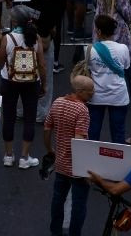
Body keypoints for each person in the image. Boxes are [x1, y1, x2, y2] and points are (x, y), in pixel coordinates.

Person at [0, 5, 47, 168]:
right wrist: (43, 84)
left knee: (9, 117)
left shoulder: (7, 38)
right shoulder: (36, 38)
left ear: (15, 20)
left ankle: (8, 155)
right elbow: (42, 65)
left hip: (9, 81)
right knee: (30, 118)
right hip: (31, 82)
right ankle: (24, 158)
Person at [45, 75, 94, 236]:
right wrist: (84, 169)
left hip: (60, 164)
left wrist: (50, 149)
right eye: (90, 90)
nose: (93, 93)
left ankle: (55, 231)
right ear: (80, 91)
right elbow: (79, 141)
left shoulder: (58, 102)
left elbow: (47, 128)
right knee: (79, 204)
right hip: (77, 167)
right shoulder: (82, 110)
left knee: (58, 200)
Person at [86, 14, 131, 143]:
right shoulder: (123, 48)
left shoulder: (90, 50)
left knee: (93, 132)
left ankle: (92, 160)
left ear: (99, 31)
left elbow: (88, 69)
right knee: (118, 133)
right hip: (118, 95)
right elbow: (126, 67)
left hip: (96, 96)